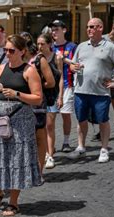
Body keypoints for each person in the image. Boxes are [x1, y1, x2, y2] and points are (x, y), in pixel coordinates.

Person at [0, 34, 43, 216]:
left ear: (22, 51)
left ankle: (14, 202)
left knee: (17, 159)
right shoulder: (1, 69)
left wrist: (17, 94)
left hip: (20, 121)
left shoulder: (29, 71)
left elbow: (38, 99)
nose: (7, 53)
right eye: (5, 50)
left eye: (11, 50)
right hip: (0, 120)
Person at [68, 18, 114, 163]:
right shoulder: (82, 46)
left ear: (100, 28)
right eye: (88, 27)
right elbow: (73, 64)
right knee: (81, 119)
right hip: (81, 90)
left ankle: (104, 149)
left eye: (92, 27)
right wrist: (72, 67)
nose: (88, 29)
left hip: (100, 92)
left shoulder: (110, 47)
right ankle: (81, 147)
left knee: (102, 120)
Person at [21, 32, 55, 176]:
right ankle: (28, 168)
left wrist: (35, 86)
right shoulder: (19, 60)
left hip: (37, 103)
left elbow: (51, 82)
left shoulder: (39, 60)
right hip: (23, 103)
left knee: (39, 137)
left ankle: (39, 171)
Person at [36, 33, 64, 170]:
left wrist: (60, 96)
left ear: (49, 44)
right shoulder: (36, 58)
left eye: (43, 44)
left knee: (50, 126)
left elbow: (60, 78)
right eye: (38, 44)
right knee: (41, 127)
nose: (40, 46)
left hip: (52, 95)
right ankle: (44, 153)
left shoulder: (57, 57)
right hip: (39, 96)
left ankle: (50, 154)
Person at [50, 20, 77, 152]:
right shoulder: (49, 47)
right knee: (50, 117)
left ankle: (66, 142)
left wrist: (66, 62)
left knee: (66, 114)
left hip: (67, 85)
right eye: (52, 29)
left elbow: (76, 64)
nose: (54, 32)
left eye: (57, 29)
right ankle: (50, 145)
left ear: (64, 30)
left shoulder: (72, 47)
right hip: (50, 86)